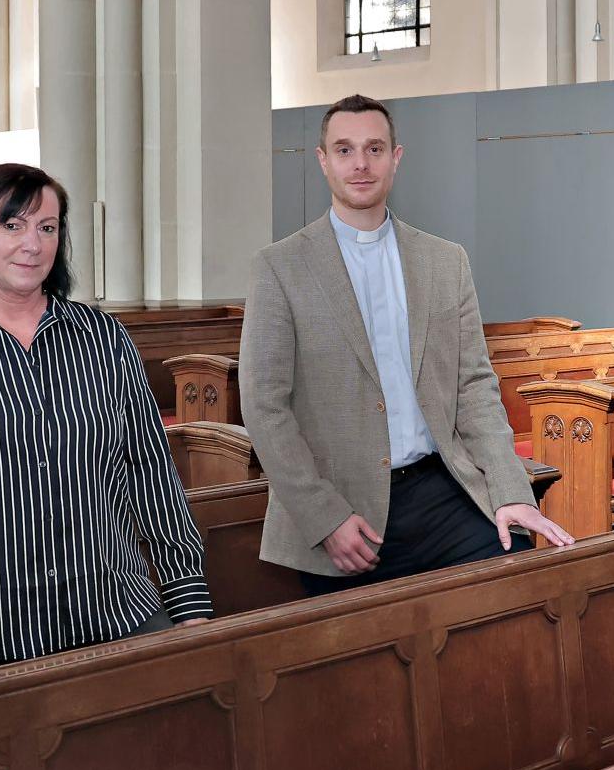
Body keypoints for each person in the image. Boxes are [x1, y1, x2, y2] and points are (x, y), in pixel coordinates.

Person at [0, 163, 213, 685]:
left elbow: (150, 474)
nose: (33, 243)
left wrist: (188, 598)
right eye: (13, 225)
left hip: (116, 614)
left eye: (47, 228)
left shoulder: (102, 339)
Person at [242, 94, 574, 594]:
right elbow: (265, 406)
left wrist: (508, 490)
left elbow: (475, 387)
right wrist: (324, 517)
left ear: (396, 158)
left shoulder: (444, 261)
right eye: (345, 149)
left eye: (375, 149)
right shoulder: (280, 267)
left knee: (513, 606)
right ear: (322, 161)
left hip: (443, 492)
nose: (360, 164)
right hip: (345, 513)